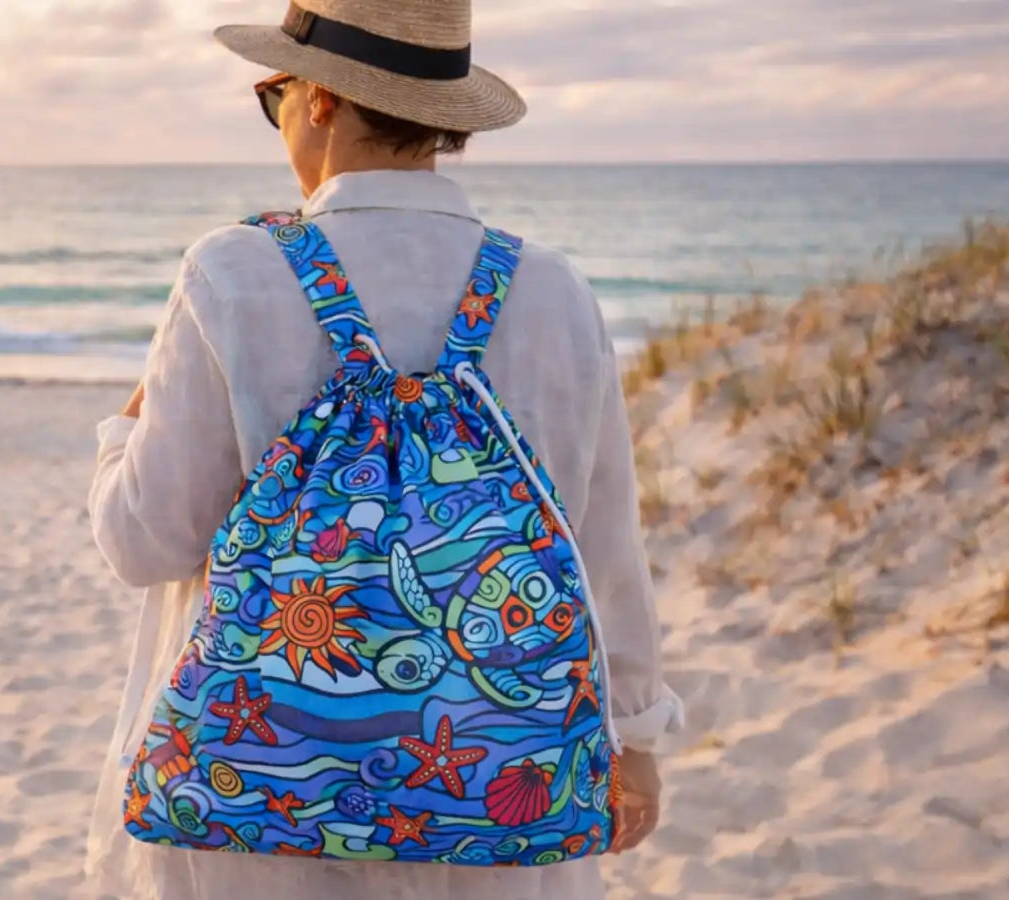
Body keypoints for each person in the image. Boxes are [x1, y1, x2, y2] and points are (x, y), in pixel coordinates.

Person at [84, 1, 683, 897]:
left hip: (257, 794)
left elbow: (145, 543)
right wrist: (634, 739)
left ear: (321, 98)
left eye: (274, 95)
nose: (278, 117)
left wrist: (121, 432)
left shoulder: (235, 271)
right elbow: (602, 547)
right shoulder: (556, 290)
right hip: (492, 792)